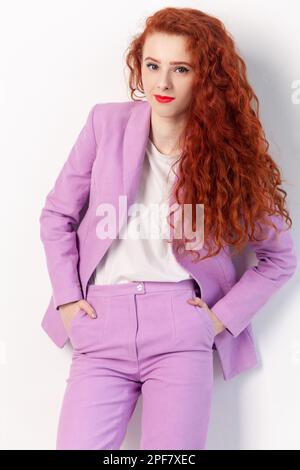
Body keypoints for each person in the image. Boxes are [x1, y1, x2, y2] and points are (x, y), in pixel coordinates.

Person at [39, 7, 297, 450]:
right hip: (101, 321)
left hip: (181, 327)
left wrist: (218, 320)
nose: (162, 83)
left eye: (181, 69)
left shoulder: (229, 159)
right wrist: (67, 300)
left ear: (206, 76)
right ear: (138, 65)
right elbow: (57, 215)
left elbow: (279, 258)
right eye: (153, 65)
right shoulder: (106, 124)